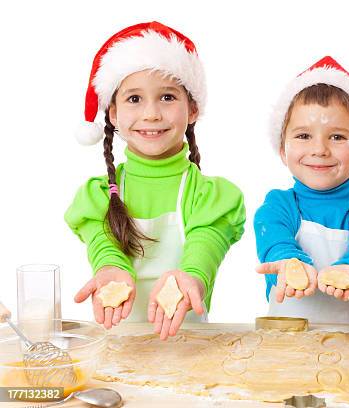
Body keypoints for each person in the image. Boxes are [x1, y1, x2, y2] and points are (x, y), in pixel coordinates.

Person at [65, 22, 246, 340]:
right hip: (118, 350)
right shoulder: (99, 196)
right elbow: (104, 246)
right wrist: (109, 268)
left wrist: (191, 277)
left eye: (166, 97)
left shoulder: (209, 195)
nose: (151, 114)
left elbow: (205, 248)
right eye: (134, 99)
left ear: (192, 109)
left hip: (190, 350)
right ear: (112, 114)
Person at [254, 56, 349, 325]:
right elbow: (276, 244)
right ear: (282, 149)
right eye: (303, 136)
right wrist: (290, 264)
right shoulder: (277, 207)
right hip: (290, 349)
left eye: (337, 137)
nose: (319, 149)